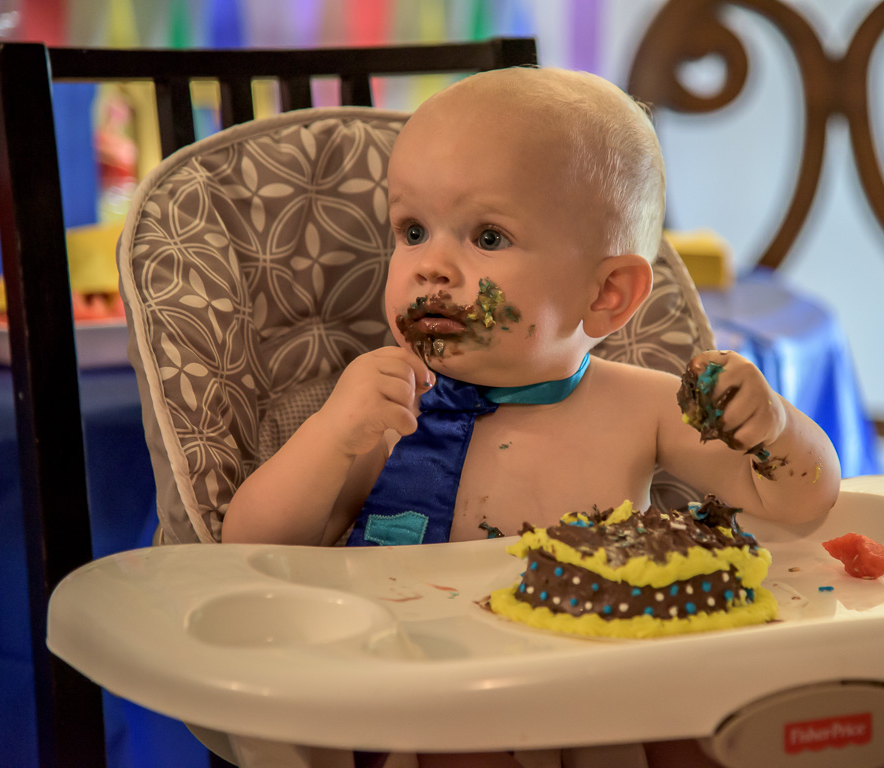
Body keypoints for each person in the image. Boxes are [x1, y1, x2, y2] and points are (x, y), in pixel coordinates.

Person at [223, 66, 841, 767]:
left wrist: (774, 432)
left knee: (704, 724)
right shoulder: (385, 409)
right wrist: (335, 435)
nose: (432, 267)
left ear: (605, 293)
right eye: (412, 229)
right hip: (425, 694)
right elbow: (250, 546)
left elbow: (799, 502)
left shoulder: (644, 407)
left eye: (487, 238)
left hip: (602, 693)